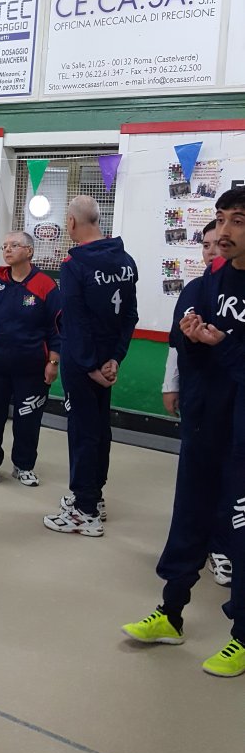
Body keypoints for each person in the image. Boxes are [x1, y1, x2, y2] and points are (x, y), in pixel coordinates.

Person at [122, 187, 245, 678]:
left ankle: (242, 636)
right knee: (188, 520)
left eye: (237, 221)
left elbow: (233, 355)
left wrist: (224, 345)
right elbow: (185, 345)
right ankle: (170, 613)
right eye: (221, 219)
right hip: (205, 425)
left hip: (242, 438)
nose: (224, 231)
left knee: (239, 532)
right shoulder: (209, 284)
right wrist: (197, 341)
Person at [43, 195, 138, 537]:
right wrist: (114, 359)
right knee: (99, 429)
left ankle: (85, 512)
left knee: (83, 431)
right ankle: (93, 496)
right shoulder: (126, 261)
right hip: (107, 361)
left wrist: (88, 366)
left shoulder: (74, 265)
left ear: (71, 222)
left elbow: (76, 322)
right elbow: (130, 315)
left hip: (82, 364)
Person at [161, 219, 232, 586]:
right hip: (198, 399)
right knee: (195, 477)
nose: (211, 250)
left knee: (230, 477)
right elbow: (177, 344)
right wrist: (170, 385)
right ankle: (193, 547)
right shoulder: (194, 289)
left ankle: (223, 546)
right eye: (205, 245)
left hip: (232, 400)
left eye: (217, 244)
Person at [0, 232, 60, 487]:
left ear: (29, 251)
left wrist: (53, 362)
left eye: (14, 245)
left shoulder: (45, 285)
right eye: (4, 246)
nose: (7, 250)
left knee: (28, 419)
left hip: (32, 367)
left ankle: (24, 465)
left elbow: (56, 328)